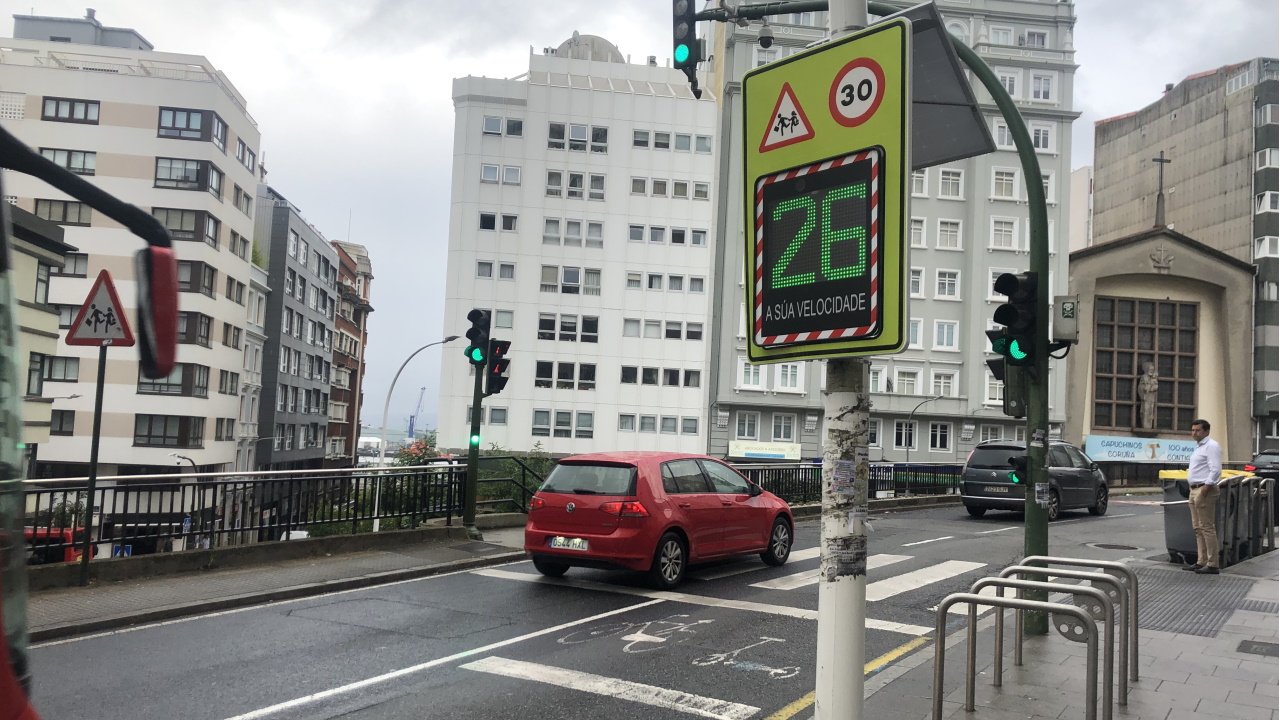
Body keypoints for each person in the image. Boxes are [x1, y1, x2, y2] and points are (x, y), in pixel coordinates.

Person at [1184, 419, 1223, 574]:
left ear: (1206, 431)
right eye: (1193, 430)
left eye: (1198, 430)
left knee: (1207, 527)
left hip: (1204, 489)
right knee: (1198, 528)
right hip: (1194, 489)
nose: (1194, 433)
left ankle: (1213, 563)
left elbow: (1215, 469)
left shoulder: (1211, 446)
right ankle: (1202, 561)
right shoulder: (1199, 447)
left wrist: (1206, 487)